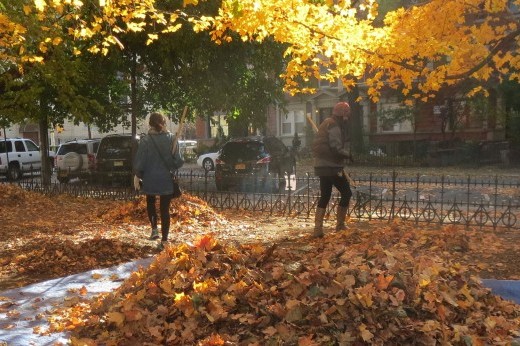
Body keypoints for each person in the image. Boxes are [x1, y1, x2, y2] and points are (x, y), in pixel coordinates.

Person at [133, 112, 183, 249]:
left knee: (150, 202)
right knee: (164, 209)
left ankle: (154, 229)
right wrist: (172, 160)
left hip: (149, 178)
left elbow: (140, 162)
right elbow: (178, 162)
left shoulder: (145, 140)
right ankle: (164, 240)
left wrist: (138, 174)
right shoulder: (172, 139)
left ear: (150, 124)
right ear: (164, 122)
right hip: (166, 179)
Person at [311, 101, 353, 238]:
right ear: (343, 113)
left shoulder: (328, 122)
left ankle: (318, 229)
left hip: (322, 166)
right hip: (331, 166)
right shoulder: (334, 125)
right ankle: (340, 225)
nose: (348, 116)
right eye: (347, 113)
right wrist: (348, 155)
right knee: (346, 192)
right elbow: (335, 148)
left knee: (325, 196)